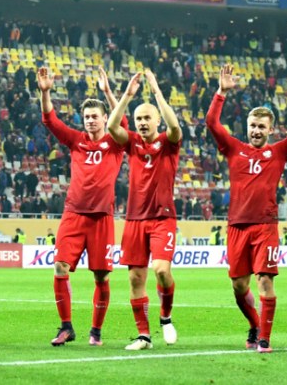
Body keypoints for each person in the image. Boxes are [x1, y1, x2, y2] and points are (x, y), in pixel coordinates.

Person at [205, 63, 287, 353]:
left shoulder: (279, 151)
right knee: (239, 288)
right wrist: (220, 93)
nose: (256, 131)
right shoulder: (233, 149)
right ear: (247, 128)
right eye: (252, 126)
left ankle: (265, 338)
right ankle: (255, 324)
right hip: (237, 227)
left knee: (265, 281)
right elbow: (212, 123)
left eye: (261, 127)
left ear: (271, 129)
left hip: (265, 226)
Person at [38, 66, 126, 347]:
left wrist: (109, 94)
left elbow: (122, 121)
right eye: (86, 117)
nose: (89, 121)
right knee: (60, 267)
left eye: (94, 117)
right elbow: (50, 121)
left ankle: (96, 331)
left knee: (101, 276)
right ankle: (66, 327)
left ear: (104, 119)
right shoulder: (76, 141)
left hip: (102, 218)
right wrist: (45, 92)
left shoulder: (115, 142)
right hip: (74, 214)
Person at [105, 69, 182, 350]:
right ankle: (144, 336)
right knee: (136, 278)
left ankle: (166, 316)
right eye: (138, 119)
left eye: (147, 118)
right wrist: (127, 96)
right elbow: (112, 127)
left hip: (163, 218)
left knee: (161, 270)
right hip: (135, 219)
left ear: (157, 120)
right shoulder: (133, 144)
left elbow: (175, 128)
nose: (142, 123)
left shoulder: (168, 143)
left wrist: (156, 91)